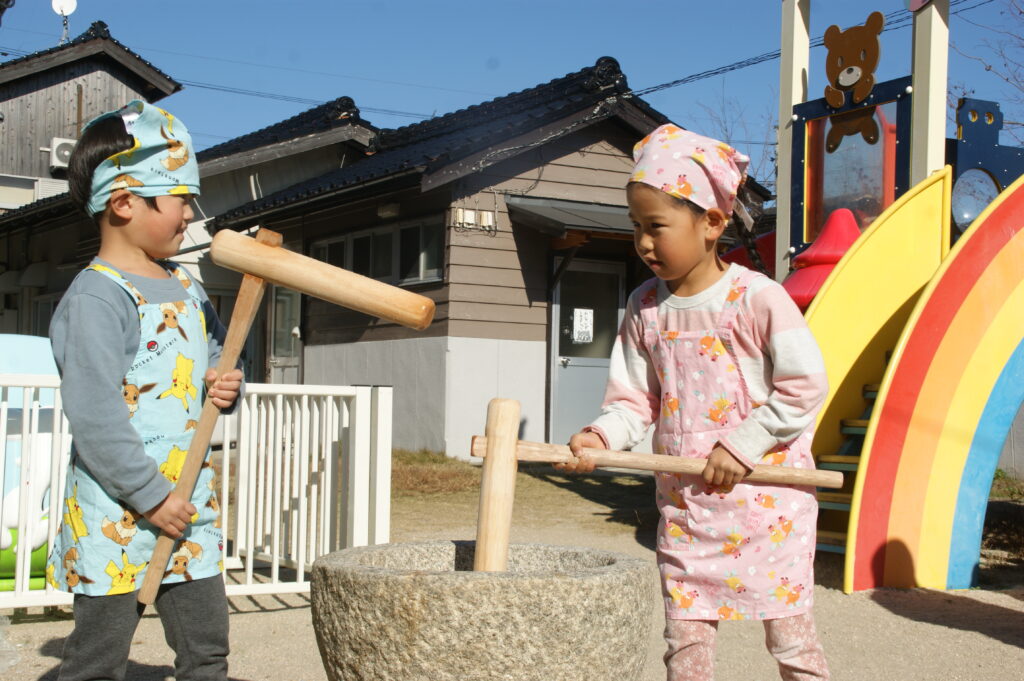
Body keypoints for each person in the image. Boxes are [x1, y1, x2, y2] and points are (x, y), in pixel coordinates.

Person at [561, 124, 831, 680]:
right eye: (636, 226)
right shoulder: (644, 307)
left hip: (768, 507)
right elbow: (634, 400)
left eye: (656, 226)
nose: (643, 243)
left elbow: (803, 386)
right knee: (684, 647)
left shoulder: (758, 298)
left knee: (792, 646)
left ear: (711, 222)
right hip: (687, 508)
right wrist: (601, 435)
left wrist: (744, 444)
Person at [45, 100, 243, 681]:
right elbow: (95, 414)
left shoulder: (187, 286)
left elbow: (219, 356)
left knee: (207, 654)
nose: (189, 214)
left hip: (188, 507)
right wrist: (150, 496)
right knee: (97, 662)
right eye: (179, 197)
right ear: (125, 201)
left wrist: (225, 382)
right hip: (119, 509)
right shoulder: (96, 298)